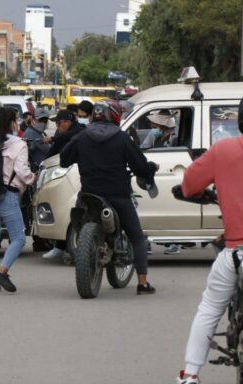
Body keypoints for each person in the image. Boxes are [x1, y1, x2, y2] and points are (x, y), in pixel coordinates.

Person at [175, 92, 243, 384]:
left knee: (209, 308)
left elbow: (190, 184)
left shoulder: (223, 150)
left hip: (236, 252)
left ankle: (190, 374)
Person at [60, 100, 157, 294]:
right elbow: (139, 166)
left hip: (89, 196)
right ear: (114, 116)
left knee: (80, 220)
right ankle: (143, 283)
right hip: (118, 196)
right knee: (137, 237)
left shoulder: (82, 136)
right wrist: (148, 171)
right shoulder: (121, 138)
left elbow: (64, 160)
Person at [0, 107, 35, 293]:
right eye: (16, 120)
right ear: (11, 123)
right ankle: (1, 272)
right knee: (18, 238)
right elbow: (22, 171)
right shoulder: (19, 144)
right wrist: (33, 178)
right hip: (8, 196)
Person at [41, 109, 84, 259]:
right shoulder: (62, 135)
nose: (58, 127)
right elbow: (52, 153)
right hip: (61, 175)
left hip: (74, 177)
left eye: (59, 123)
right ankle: (59, 246)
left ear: (67, 122)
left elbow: (69, 138)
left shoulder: (78, 132)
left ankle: (63, 246)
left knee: (69, 209)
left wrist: (52, 139)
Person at [140, 109, 180, 255]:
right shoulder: (157, 136)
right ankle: (149, 242)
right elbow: (144, 149)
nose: (152, 126)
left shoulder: (171, 138)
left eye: (155, 124)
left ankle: (172, 242)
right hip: (156, 172)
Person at [23, 107, 51, 172]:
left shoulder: (40, 132)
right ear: (33, 120)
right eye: (40, 120)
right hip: (37, 171)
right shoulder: (29, 134)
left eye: (45, 121)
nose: (43, 123)